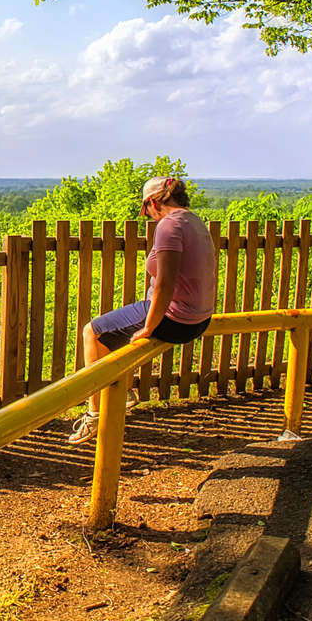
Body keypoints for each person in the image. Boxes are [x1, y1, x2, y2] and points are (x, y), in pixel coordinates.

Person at [68, 175, 217, 444]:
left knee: (92, 331)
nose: (147, 216)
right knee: (118, 334)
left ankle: (94, 413)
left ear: (153, 202)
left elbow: (165, 283)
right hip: (200, 318)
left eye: (145, 209)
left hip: (174, 318)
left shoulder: (169, 226)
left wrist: (149, 326)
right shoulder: (194, 221)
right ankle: (122, 392)